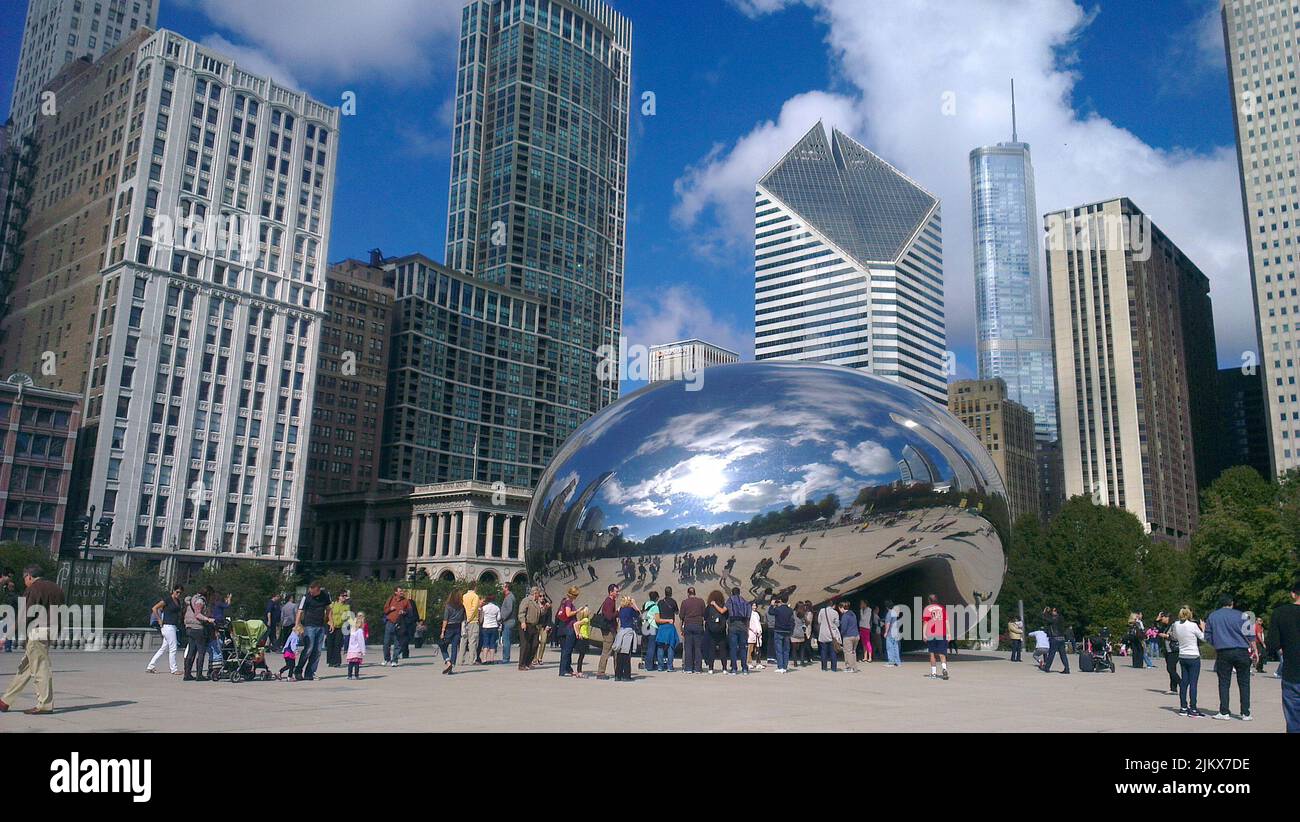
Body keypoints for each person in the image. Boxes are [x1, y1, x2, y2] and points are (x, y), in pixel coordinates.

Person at [0, 566, 65, 714]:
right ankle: (5, 700)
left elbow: (24, 615)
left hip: (38, 631)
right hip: (52, 630)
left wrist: (6, 636)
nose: (24, 582)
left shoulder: (34, 589)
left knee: (40, 667)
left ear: (29, 576)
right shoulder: (57, 588)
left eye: (24, 579)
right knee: (26, 667)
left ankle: (45, 704)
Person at [1204, 594, 1252, 721]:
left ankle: (1224, 711)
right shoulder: (1242, 615)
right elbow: (1250, 635)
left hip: (1223, 651)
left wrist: (1216, 643)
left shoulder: (1213, 616)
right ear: (1232, 603)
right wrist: (1254, 650)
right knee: (1244, 682)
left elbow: (1208, 635)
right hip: (1242, 650)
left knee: (1224, 682)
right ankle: (1245, 712)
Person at [1266, 578, 1300, 732]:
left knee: (1293, 719)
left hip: (1292, 671)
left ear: (1293, 594)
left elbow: (1273, 644)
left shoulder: (1280, 613)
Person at [1170, 606, 1205, 717]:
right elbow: (1203, 638)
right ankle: (1193, 708)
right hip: (1193, 655)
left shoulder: (1176, 624)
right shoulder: (1193, 625)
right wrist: (1203, 628)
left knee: (1184, 682)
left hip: (1183, 655)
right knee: (1193, 683)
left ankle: (1183, 707)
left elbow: (1174, 636)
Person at [294, 581, 331, 681]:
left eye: (313, 592)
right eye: (310, 591)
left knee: (317, 651)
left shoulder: (325, 596)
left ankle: (310, 672)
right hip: (309, 625)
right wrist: (297, 625)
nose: (311, 593)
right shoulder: (306, 597)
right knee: (308, 649)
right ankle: (298, 670)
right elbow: (300, 611)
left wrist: (330, 621)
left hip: (320, 626)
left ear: (318, 590)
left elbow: (328, 609)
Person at [146, 585, 185, 675]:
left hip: (173, 626)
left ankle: (150, 666)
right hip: (168, 626)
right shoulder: (168, 599)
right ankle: (174, 669)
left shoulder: (178, 601)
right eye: (177, 592)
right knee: (173, 647)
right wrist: (159, 619)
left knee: (163, 648)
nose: (178, 594)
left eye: (180, 593)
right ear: (173, 591)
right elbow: (154, 608)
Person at [183, 586, 216, 681]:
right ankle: (199, 675)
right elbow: (197, 614)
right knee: (201, 652)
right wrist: (208, 619)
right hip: (197, 628)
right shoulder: (200, 601)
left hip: (189, 627)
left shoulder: (192, 599)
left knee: (191, 651)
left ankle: (187, 674)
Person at [724, 587, 752, 675]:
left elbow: (724, 610)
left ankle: (734, 668)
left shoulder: (730, 600)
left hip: (733, 626)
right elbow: (748, 616)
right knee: (743, 648)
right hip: (743, 626)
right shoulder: (745, 602)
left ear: (732, 593)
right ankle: (744, 668)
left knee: (733, 648)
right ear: (739, 593)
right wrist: (747, 628)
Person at [595, 583, 620, 679]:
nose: (618, 593)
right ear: (611, 592)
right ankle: (600, 673)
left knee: (616, 651)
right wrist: (617, 612)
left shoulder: (611, 601)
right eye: (616, 591)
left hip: (611, 629)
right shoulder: (609, 601)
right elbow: (609, 616)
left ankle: (617, 670)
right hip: (608, 630)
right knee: (607, 651)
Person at [680, 586, 707, 674]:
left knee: (688, 647)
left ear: (688, 593)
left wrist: (681, 628)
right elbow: (704, 614)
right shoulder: (701, 601)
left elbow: (681, 617)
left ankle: (688, 668)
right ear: (695, 593)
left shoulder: (684, 602)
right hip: (698, 625)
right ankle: (698, 668)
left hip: (688, 625)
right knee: (698, 648)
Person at [438, 588, 466, 675]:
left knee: (443, 646)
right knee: (454, 646)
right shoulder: (462, 606)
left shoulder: (448, 606)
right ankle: (452, 664)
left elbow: (445, 619)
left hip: (449, 627)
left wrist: (442, 631)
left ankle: (448, 662)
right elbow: (464, 618)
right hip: (458, 627)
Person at [613, 596, 640, 682]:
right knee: (626, 655)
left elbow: (617, 614)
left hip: (621, 631)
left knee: (620, 654)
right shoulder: (630, 610)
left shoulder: (621, 609)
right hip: (628, 632)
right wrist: (634, 604)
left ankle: (618, 675)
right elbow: (638, 614)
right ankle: (626, 675)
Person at [922, 594, 948, 680]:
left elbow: (925, 623)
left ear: (929, 601)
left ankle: (933, 673)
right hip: (942, 633)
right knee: (942, 653)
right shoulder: (942, 608)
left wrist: (924, 634)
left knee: (932, 653)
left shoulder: (927, 609)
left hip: (931, 634)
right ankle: (944, 669)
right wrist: (949, 633)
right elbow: (947, 621)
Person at [556, 586, 581, 677]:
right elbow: (568, 613)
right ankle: (563, 670)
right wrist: (577, 611)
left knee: (565, 650)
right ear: (573, 595)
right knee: (567, 650)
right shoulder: (568, 602)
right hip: (569, 628)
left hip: (562, 628)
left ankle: (566, 668)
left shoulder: (564, 601)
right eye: (576, 595)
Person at [517, 588, 543, 670]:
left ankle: (528, 662)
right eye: (538, 593)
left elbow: (539, 613)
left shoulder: (536, 602)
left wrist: (544, 608)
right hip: (526, 624)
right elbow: (521, 612)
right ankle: (521, 664)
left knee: (535, 644)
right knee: (525, 645)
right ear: (535, 593)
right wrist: (522, 622)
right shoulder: (527, 600)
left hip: (534, 626)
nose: (539, 595)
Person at [382, 587, 408, 667]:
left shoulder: (405, 601)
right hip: (390, 623)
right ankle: (387, 658)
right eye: (400, 591)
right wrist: (390, 608)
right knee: (386, 643)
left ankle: (395, 660)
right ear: (395, 592)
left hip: (400, 624)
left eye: (402, 591)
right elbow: (385, 610)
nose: (402, 592)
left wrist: (404, 612)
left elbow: (410, 612)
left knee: (397, 643)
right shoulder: (391, 599)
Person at [1155, 611, 1180, 694]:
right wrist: (1157, 620)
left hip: (1174, 650)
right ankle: (1173, 688)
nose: (1162, 620)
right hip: (1167, 649)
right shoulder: (1165, 626)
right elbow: (1157, 630)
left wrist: (1166, 636)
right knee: (1172, 669)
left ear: (1167, 617)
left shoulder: (1174, 625)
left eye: (1163, 618)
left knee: (1170, 668)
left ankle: (1182, 683)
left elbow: (1176, 637)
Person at [326, 590, 352, 668]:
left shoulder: (347, 606)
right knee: (330, 643)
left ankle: (337, 661)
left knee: (338, 644)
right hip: (331, 625)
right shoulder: (333, 604)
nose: (344, 597)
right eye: (342, 596)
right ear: (338, 597)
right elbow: (329, 613)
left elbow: (348, 617)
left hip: (340, 626)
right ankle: (330, 661)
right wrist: (331, 623)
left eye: (345, 596)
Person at [704, 590, 729, 673]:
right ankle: (724, 668)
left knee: (711, 650)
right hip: (721, 632)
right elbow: (726, 617)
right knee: (723, 650)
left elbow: (705, 618)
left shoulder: (709, 607)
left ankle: (711, 668)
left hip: (711, 632)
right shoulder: (723, 606)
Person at [656, 586, 679, 672]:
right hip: (670, 626)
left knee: (660, 646)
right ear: (671, 593)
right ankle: (670, 666)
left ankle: (660, 666)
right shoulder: (673, 602)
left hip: (662, 626)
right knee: (671, 646)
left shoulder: (660, 602)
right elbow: (677, 612)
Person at [1041, 606, 1069, 675]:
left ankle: (1047, 668)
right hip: (1061, 638)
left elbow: (1046, 619)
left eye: (1054, 611)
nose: (1053, 612)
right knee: (1063, 655)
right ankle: (1067, 668)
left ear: (1057, 612)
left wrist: (1044, 613)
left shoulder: (1054, 619)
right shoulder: (1061, 618)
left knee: (1051, 654)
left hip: (1055, 638)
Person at [770, 596, 794, 673]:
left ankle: (780, 666)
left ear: (780, 600)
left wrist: (772, 605)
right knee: (786, 649)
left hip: (778, 630)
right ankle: (785, 666)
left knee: (779, 649)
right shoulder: (790, 610)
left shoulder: (778, 609)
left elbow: (770, 612)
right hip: (787, 631)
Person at [816, 599, 841, 672]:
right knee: (833, 651)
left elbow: (819, 621)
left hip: (823, 633)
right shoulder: (835, 612)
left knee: (823, 651)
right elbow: (837, 624)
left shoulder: (821, 611)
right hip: (832, 634)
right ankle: (833, 668)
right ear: (833, 605)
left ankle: (824, 668)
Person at [461, 586, 482, 666]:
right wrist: (470, 618)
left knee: (463, 640)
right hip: (473, 620)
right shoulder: (475, 596)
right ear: (475, 588)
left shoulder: (464, 596)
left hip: (464, 620)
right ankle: (472, 660)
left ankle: (461, 660)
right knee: (473, 641)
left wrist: (466, 619)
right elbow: (474, 608)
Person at [640, 591, 661, 671]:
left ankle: (645, 662)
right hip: (652, 626)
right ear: (656, 598)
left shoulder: (646, 604)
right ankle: (649, 665)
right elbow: (657, 619)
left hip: (645, 626)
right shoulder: (655, 607)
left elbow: (643, 615)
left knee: (645, 646)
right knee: (651, 647)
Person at [500, 583, 518, 666]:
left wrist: (502, 617)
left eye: (503, 587)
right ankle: (505, 657)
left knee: (506, 640)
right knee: (505, 640)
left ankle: (506, 658)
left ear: (507, 588)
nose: (502, 588)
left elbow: (509, 609)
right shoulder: (509, 597)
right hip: (508, 621)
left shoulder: (510, 597)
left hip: (508, 621)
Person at [838, 601, 859, 673]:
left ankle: (849, 667)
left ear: (841, 608)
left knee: (847, 652)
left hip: (848, 636)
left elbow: (844, 627)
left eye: (839, 609)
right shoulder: (853, 614)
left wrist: (841, 634)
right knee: (853, 652)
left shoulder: (845, 616)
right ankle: (854, 667)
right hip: (856, 635)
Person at [480, 593, 501, 665]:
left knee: (485, 643)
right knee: (492, 643)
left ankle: (484, 659)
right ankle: (492, 659)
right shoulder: (497, 608)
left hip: (486, 626)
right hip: (494, 626)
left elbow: (481, 618)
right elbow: (498, 618)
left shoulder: (484, 608)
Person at [346, 612, 367, 680]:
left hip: (351, 651)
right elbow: (361, 642)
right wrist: (363, 651)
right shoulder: (360, 631)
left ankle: (349, 675)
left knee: (350, 664)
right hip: (357, 650)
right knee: (356, 664)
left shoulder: (352, 631)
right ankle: (356, 675)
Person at [883, 601, 902, 667]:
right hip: (895, 632)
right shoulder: (894, 613)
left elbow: (888, 623)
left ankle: (891, 662)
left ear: (886, 607)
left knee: (889, 647)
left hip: (890, 633)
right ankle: (897, 662)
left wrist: (886, 632)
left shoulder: (889, 613)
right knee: (896, 647)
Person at [574, 606, 592, 675]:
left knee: (581, 655)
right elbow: (575, 624)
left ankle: (579, 670)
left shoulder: (584, 619)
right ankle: (579, 671)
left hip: (585, 637)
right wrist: (578, 633)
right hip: (584, 638)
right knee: (581, 656)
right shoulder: (586, 620)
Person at [747, 600, 764, 670]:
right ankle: (749, 662)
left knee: (758, 649)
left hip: (758, 633)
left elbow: (758, 623)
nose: (754, 607)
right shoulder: (748, 614)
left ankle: (758, 663)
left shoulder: (757, 614)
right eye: (753, 605)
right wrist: (752, 630)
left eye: (755, 605)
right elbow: (748, 624)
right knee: (750, 649)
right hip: (752, 633)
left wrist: (759, 631)